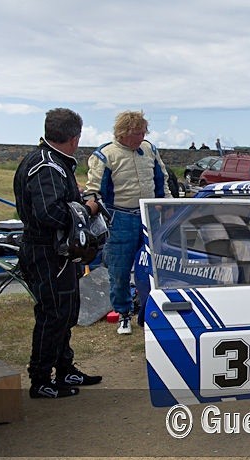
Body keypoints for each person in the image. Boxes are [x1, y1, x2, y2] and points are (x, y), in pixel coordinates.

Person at [13, 108, 102, 398]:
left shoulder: (53, 162)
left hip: (59, 252)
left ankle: (64, 369)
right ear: (75, 138)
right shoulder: (47, 166)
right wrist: (86, 209)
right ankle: (40, 379)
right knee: (53, 314)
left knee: (65, 312)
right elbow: (48, 213)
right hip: (46, 252)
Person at [85, 111, 169, 335]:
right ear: (124, 133)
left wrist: (167, 206)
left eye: (143, 132)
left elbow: (162, 178)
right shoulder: (105, 155)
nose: (141, 137)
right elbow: (94, 191)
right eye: (137, 133)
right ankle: (123, 313)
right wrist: (103, 218)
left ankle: (151, 309)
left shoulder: (149, 149)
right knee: (119, 269)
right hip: (119, 218)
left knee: (156, 265)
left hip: (150, 214)